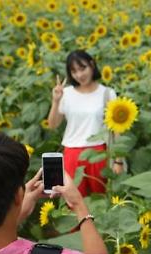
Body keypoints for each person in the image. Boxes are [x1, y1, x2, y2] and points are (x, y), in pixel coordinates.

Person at [47, 49, 125, 197]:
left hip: (99, 153)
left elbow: (116, 130)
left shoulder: (107, 93)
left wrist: (118, 161)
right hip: (72, 153)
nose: (80, 75)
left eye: (83, 68)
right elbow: (52, 125)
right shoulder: (66, 94)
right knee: (74, 202)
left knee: (102, 200)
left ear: (92, 64)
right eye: (74, 71)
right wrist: (56, 101)